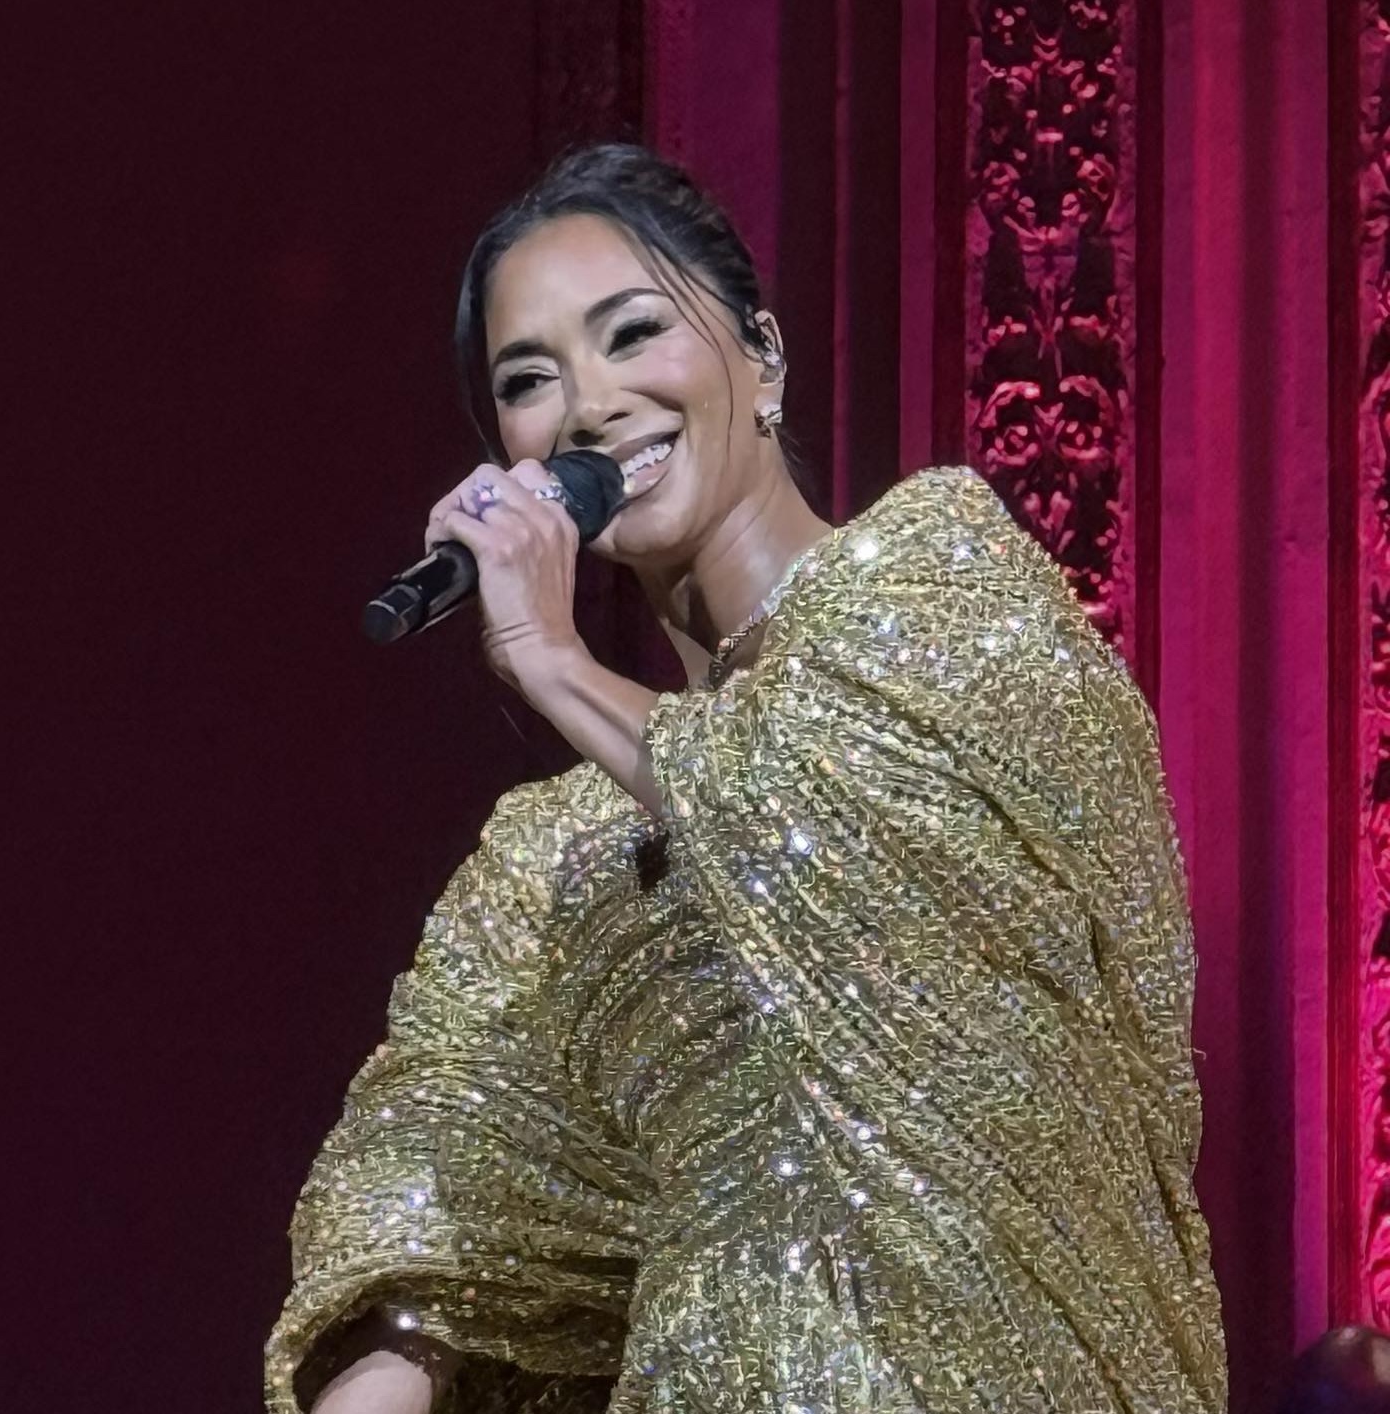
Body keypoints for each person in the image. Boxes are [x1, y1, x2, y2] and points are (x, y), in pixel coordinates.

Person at [264, 143, 1227, 1414]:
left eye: (633, 333)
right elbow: (433, 1195)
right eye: (530, 380)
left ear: (762, 358)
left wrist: (554, 663)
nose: (590, 406)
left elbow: (838, 828)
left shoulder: (942, 584)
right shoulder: (556, 859)